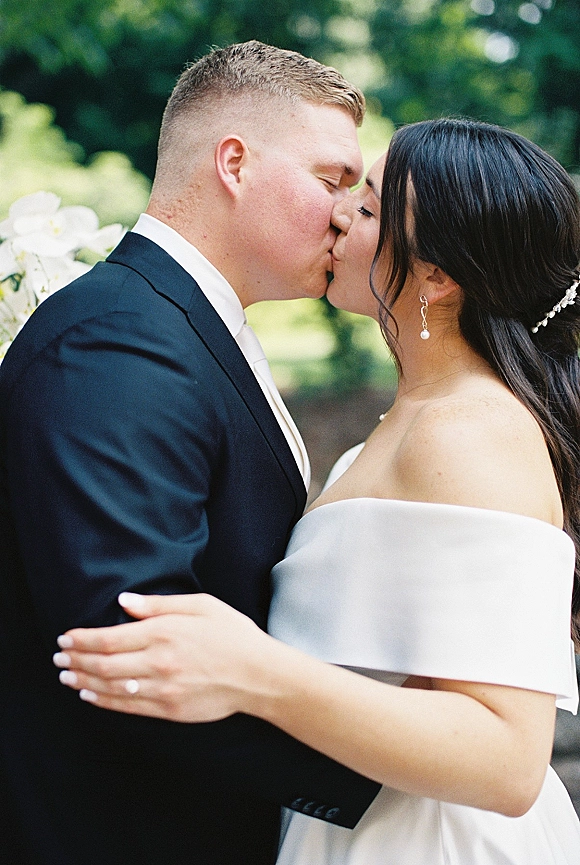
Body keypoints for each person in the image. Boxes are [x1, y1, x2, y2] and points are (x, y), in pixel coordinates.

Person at [55, 118, 580, 864]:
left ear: (436, 276)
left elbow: (506, 760)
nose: (338, 213)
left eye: (366, 206)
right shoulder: (409, 423)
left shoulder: (471, 431)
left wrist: (252, 669)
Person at [0, 41, 383, 865]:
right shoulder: (117, 341)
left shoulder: (186, 325)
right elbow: (129, 644)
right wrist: (401, 769)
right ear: (234, 163)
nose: (348, 215)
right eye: (331, 181)